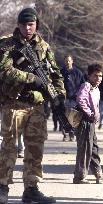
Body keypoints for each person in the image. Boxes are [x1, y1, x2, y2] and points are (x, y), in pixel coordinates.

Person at [0, 7, 66, 203]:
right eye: (24, 25)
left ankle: (31, 188)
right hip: (14, 103)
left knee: (35, 147)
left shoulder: (44, 46)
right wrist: (30, 78)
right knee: (9, 147)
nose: (28, 28)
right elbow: (3, 71)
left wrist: (60, 97)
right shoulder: (7, 45)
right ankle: (2, 186)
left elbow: (55, 74)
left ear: (36, 25)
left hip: (36, 105)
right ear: (18, 25)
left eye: (31, 24)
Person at [73, 64, 103, 184]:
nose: (98, 78)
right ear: (89, 76)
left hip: (91, 122)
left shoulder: (96, 88)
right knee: (85, 149)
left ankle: (98, 173)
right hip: (84, 121)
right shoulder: (86, 86)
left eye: (100, 76)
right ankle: (79, 176)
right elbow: (81, 100)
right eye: (95, 76)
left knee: (93, 148)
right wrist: (90, 114)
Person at [60, 55, 85, 141]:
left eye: (69, 61)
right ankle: (65, 134)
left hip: (74, 98)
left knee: (73, 117)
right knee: (64, 117)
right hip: (64, 98)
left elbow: (83, 85)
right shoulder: (61, 72)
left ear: (72, 61)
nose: (67, 62)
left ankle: (72, 134)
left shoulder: (78, 72)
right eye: (66, 61)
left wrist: (80, 95)